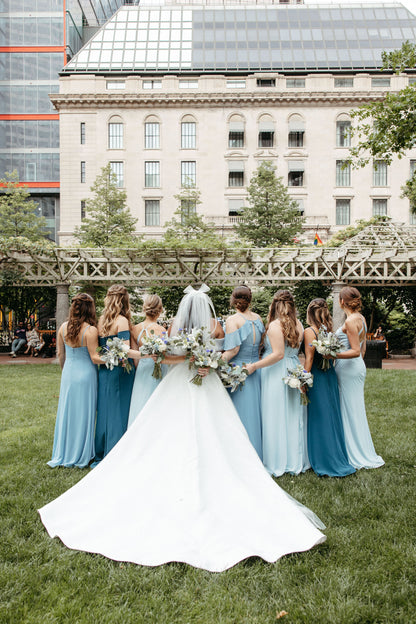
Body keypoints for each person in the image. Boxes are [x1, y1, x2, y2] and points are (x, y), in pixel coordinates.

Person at [39, 284, 326, 573]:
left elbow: (164, 357)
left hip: (178, 382)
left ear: (184, 309)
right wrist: (207, 363)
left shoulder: (176, 327)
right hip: (206, 382)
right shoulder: (215, 327)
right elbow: (226, 351)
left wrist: (190, 360)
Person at [245, 290, 310, 476]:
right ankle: (294, 459)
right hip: (293, 368)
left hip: (276, 373)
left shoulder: (275, 325)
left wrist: (254, 366)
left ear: (274, 304)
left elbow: (278, 354)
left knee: (275, 416)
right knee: (291, 415)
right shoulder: (299, 324)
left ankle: (277, 460)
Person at [48, 293, 102, 468]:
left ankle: (65, 451)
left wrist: (66, 372)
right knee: (85, 413)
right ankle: (82, 453)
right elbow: (95, 357)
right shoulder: (91, 330)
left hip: (69, 374)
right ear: (90, 309)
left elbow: (60, 354)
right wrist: (116, 357)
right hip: (86, 374)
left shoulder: (63, 327)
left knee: (68, 413)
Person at [303, 299, 356, 478]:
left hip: (317, 377)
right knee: (331, 416)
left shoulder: (309, 331)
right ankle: (336, 456)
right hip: (330, 376)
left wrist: (303, 379)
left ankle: (325, 460)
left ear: (310, 312)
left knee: (320, 417)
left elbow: (309, 359)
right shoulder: (328, 331)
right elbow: (332, 357)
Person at [334, 287, 384, 470]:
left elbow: (355, 351)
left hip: (348, 368)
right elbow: (362, 350)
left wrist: (332, 356)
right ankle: (358, 448)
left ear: (341, 302)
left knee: (349, 409)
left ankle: (354, 452)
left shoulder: (350, 322)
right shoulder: (361, 319)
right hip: (356, 368)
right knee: (354, 409)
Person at [92, 284, 136, 466]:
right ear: (125, 299)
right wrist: (146, 354)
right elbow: (124, 350)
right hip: (121, 370)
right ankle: (117, 450)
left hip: (104, 371)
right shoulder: (122, 321)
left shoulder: (101, 320)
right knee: (120, 410)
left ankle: (102, 449)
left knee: (105, 409)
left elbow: (99, 350)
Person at [222, 286, 264, 459]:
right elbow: (262, 345)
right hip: (256, 370)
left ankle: (241, 456)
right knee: (254, 413)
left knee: (239, 414)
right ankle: (256, 453)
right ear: (250, 299)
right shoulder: (259, 319)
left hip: (238, 372)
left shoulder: (233, 320)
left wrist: (214, 364)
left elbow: (233, 351)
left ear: (233, 299)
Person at [127, 294, 168, 428]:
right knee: (156, 405)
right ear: (160, 310)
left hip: (142, 371)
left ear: (144, 309)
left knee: (140, 403)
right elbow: (164, 357)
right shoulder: (161, 330)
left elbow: (136, 359)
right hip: (157, 371)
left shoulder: (135, 329)